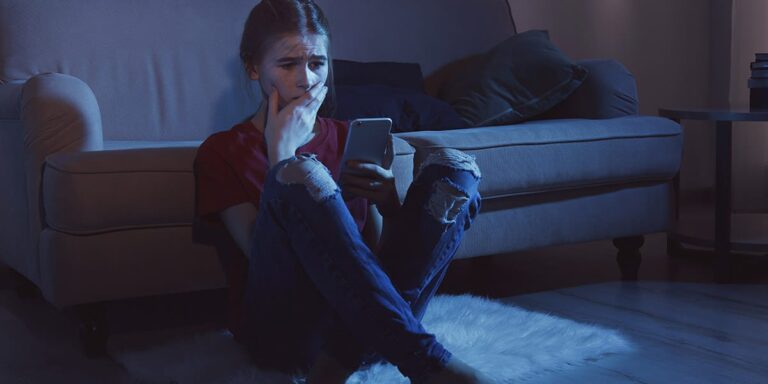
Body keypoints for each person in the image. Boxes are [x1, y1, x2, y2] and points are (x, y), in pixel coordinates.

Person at [194, 1, 492, 383]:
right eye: (288, 65)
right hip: (284, 335)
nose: (307, 80)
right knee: (301, 174)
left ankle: (336, 366)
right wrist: (281, 154)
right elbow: (256, 250)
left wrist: (387, 202)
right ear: (254, 68)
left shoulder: (348, 135)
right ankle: (426, 361)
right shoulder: (222, 150)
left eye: (318, 63)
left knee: (456, 171)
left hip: (363, 323)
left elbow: (381, 259)